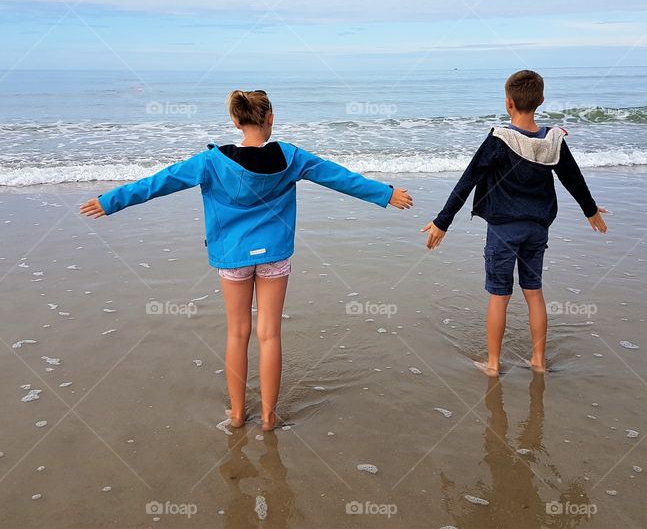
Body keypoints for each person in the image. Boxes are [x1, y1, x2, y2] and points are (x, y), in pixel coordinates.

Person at [81, 90, 413, 430]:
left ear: (235, 121)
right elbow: (339, 177)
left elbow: (159, 182)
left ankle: (238, 415)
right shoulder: (291, 156)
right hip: (274, 255)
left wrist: (110, 202)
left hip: (232, 255)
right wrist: (386, 194)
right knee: (269, 334)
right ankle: (269, 417)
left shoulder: (211, 161)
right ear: (271, 118)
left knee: (237, 334)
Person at [421, 70, 607, 375]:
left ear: (508, 103)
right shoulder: (553, 140)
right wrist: (590, 211)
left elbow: (468, 180)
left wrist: (443, 221)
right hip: (537, 227)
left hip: (504, 229)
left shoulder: (499, 139)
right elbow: (572, 178)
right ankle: (538, 361)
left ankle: (493, 364)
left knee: (500, 295)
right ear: (541, 101)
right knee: (534, 292)